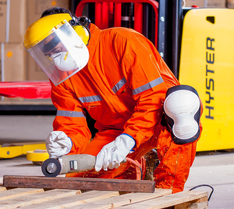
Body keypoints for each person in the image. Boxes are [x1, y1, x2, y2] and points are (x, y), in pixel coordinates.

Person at [24, 7, 202, 194]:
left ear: (74, 31)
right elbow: (72, 123)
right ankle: (140, 165)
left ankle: (168, 196)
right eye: (48, 52)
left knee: (182, 104)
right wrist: (66, 141)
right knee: (83, 182)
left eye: (56, 46)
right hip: (116, 131)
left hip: (161, 121)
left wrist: (127, 140)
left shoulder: (123, 42)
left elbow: (153, 98)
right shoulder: (62, 76)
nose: (54, 55)